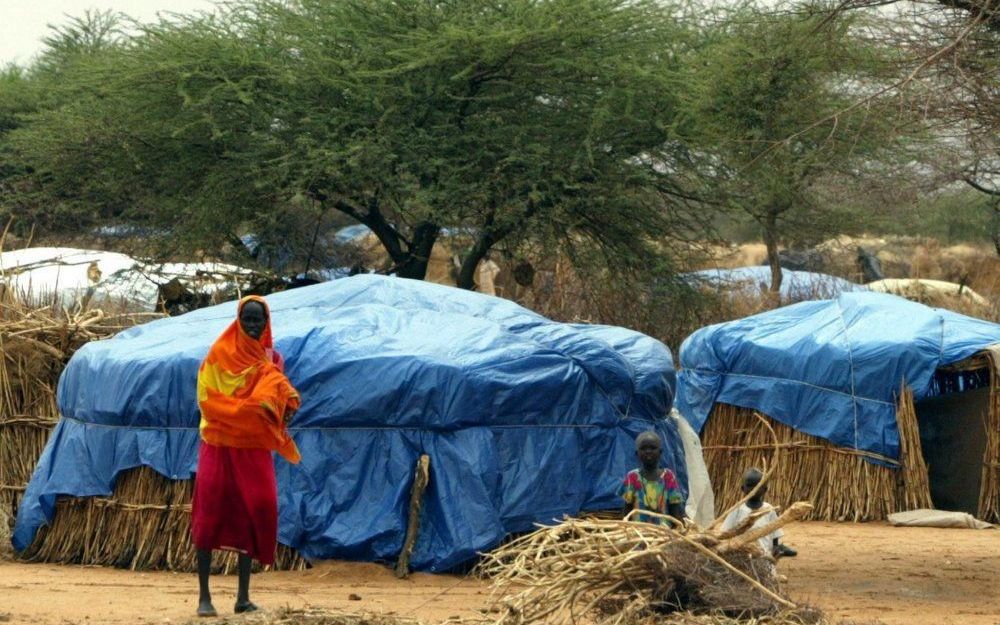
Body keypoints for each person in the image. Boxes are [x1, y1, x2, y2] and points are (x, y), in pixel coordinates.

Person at [191, 296, 302, 617]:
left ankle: (242, 597)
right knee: (210, 511)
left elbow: (276, 402)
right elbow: (206, 397)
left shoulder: (272, 360)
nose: (253, 326)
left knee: (257, 508)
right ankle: (204, 597)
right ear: (238, 320)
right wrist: (241, 411)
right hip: (220, 443)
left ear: (267, 323)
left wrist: (282, 412)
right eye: (248, 319)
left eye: (259, 320)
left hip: (253, 447)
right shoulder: (219, 355)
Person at [720, 468, 797, 558]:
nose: (754, 489)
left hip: (764, 556)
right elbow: (725, 533)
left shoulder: (769, 509)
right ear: (742, 488)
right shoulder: (736, 510)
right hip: (741, 558)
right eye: (750, 486)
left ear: (765, 489)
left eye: (758, 486)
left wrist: (777, 546)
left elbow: (775, 532)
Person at [620, 430, 685, 525]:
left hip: (665, 535)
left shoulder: (668, 477)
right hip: (638, 534)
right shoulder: (632, 477)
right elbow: (627, 509)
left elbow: (674, 508)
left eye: (653, 448)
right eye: (643, 448)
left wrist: (680, 530)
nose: (648, 451)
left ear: (660, 452)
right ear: (637, 453)